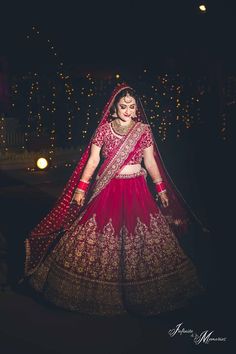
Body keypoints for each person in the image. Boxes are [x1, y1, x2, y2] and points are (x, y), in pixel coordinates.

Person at [22, 83, 205, 316]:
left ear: (137, 108)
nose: (127, 110)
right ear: (113, 107)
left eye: (131, 106)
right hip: (107, 190)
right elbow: (93, 161)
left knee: (142, 236)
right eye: (123, 106)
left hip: (136, 191)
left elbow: (150, 162)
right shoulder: (104, 130)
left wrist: (161, 189)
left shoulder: (143, 130)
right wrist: (81, 188)